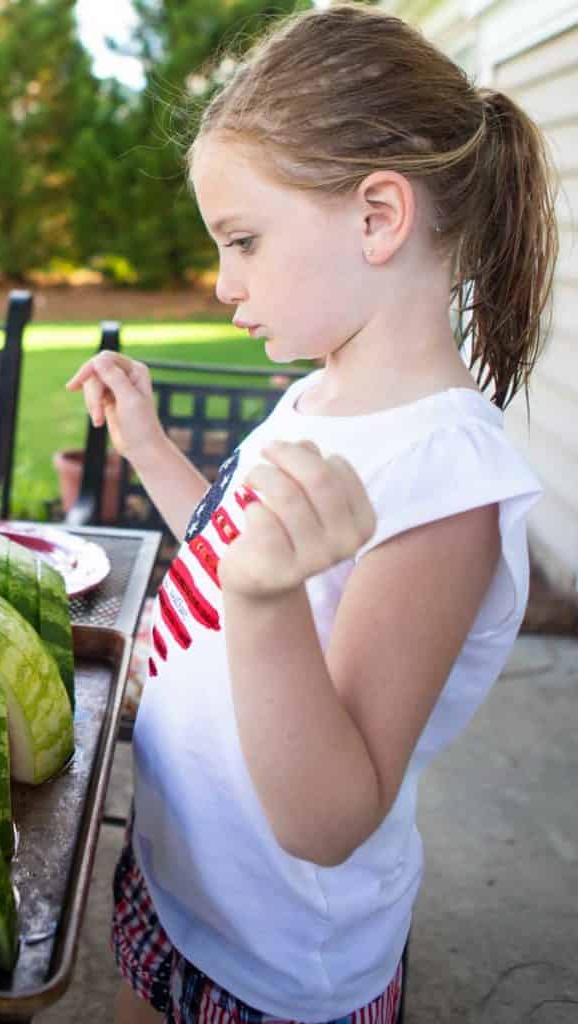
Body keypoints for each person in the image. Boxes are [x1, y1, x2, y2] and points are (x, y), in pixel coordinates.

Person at [68, 5, 557, 1023]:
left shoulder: (443, 483)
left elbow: (330, 812)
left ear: (378, 217)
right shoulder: (322, 390)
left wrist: (262, 602)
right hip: (177, 872)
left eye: (243, 240)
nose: (220, 282)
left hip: (276, 963)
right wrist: (150, 446)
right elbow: (238, 547)